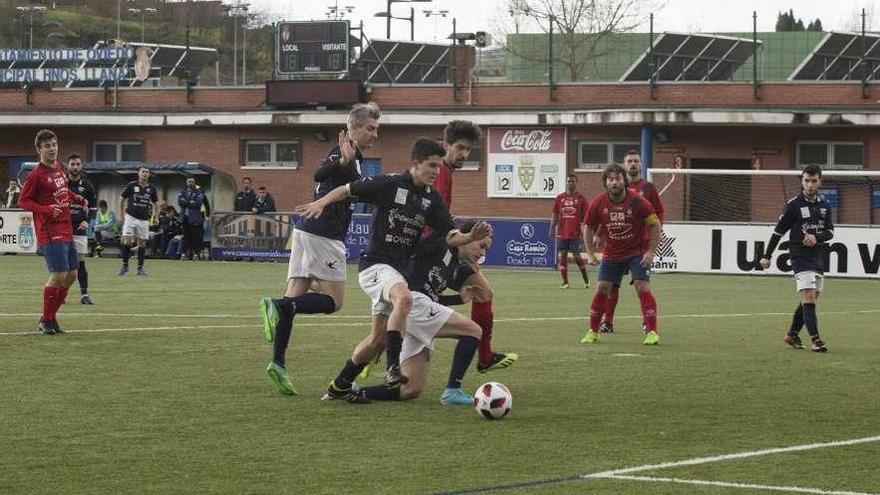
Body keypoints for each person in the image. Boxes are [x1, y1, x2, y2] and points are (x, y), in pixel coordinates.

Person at [299, 138, 491, 403]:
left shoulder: (432, 199)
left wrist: (469, 236)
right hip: (375, 265)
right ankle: (391, 369)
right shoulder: (389, 184)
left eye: (438, 167)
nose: (436, 172)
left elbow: (451, 236)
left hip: (396, 274)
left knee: (378, 341)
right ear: (415, 163)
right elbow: (346, 189)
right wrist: (321, 203)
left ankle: (339, 386)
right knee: (405, 297)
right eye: (431, 166)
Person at [258, 102, 381, 396]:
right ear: (352, 128)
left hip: (306, 232)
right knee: (334, 302)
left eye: (377, 129)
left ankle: (278, 363)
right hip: (324, 235)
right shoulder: (343, 152)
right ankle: (278, 305)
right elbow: (319, 174)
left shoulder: (357, 156)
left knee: (295, 299)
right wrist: (342, 163)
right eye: (370, 128)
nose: (375, 134)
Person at [359, 221, 492, 405]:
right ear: (465, 237)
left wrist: (458, 299)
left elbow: (430, 296)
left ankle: (355, 391)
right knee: (473, 331)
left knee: (411, 389)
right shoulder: (439, 243)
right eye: (481, 245)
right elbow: (418, 251)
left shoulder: (453, 267)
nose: (483, 253)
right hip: (412, 304)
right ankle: (453, 390)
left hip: (418, 309)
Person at [432, 119, 517, 374]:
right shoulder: (438, 173)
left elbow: (440, 219)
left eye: (468, 150)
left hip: (444, 248)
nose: (464, 154)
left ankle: (485, 357)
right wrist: (460, 244)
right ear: (445, 145)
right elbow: (433, 223)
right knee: (408, 311)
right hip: (428, 253)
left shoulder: (446, 173)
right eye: (460, 148)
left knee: (483, 292)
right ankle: (376, 354)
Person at [580, 163, 661, 346]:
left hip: (637, 252)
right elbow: (588, 228)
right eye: (610, 179)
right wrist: (590, 254)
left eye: (617, 179)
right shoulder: (599, 203)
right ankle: (593, 331)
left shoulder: (638, 202)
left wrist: (651, 252)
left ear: (624, 181)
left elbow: (655, 225)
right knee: (602, 288)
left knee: (642, 287)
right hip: (612, 254)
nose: (614, 182)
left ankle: (652, 332)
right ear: (605, 183)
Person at [18, 129, 88, 334]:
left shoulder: (59, 168)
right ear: (39, 149)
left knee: (72, 274)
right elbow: (24, 201)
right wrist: (46, 209)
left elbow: (62, 190)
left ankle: (50, 318)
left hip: (66, 227)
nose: (52, 149)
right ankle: (46, 320)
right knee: (58, 274)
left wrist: (77, 198)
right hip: (49, 230)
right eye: (47, 146)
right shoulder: (36, 175)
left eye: (54, 144)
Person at [759, 164, 832, 353]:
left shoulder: (825, 205)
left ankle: (792, 334)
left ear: (819, 181)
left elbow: (830, 232)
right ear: (802, 181)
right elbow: (778, 232)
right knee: (808, 296)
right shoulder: (793, 205)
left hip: (817, 256)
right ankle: (816, 340)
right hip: (799, 257)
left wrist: (817, 237)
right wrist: (767, 255)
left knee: (811, 299)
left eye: (814, 181)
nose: (810, 185)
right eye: (806, 181)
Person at [599, 149, 665, 333]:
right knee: (611, 285)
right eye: (630, 161)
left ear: (641, 164)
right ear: (624, 165)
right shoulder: (615, 186)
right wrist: (598, 232)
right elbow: (605, 212)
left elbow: (658, 212)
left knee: (641, 285)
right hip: (618, 245)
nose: (633, 164)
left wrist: (656, 231)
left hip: (641, 245)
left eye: (636, 161)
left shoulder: (649, 188)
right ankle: (608, 322)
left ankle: (647, 323)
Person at [66, 153, 97, 304]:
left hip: (79, 228)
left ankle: (84, 295)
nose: (75, 167)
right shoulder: (61, 183)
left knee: (80, 262)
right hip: (62, 228)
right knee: (62, 263)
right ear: (67, 166)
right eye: (72, 164)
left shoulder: (87, 185)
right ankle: (60, 293)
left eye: (78, 164)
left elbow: (93, 208)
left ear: (81, 166)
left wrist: (87, 220)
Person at [550, 174, 590, 289]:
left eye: (573, 181)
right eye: (569, 181)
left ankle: (586, 279)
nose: (571, 183)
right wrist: (552, 228)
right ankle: (565, 282)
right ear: (566, 182)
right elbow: (555, 213)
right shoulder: (560, 198)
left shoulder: (581, 199)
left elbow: (587, 216)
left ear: (576, 183)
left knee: (577, 257)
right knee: (562, 255)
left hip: (575, 232)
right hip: (562, 231)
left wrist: (585, 231)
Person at [118, 166, 158, 276]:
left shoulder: (151, 188)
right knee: (127, 240)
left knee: (142, 243)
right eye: (143, 171)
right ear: (138, 173)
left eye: (147, 172)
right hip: (130, 217)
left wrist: (156, 216)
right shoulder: (131, 185)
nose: (145, 174)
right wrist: (121, 214)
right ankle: (125, 265)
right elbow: (122, 198)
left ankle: (140, 268)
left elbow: (155, 203)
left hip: (144, 219)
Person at [178, 176, 211, 260]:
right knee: (186, 236)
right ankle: (185, 254)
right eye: (189, 181)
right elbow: (180, 202)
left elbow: (198, 203)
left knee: (196, 236)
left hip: (196, 217)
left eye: (192, 181)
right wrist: (190, 202)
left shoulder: (199, 191)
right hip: (185, 217)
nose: (190, 183)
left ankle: (196, 254)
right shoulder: (183, 191)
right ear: (186, 182)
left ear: (195, 182)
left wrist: (187, 202)